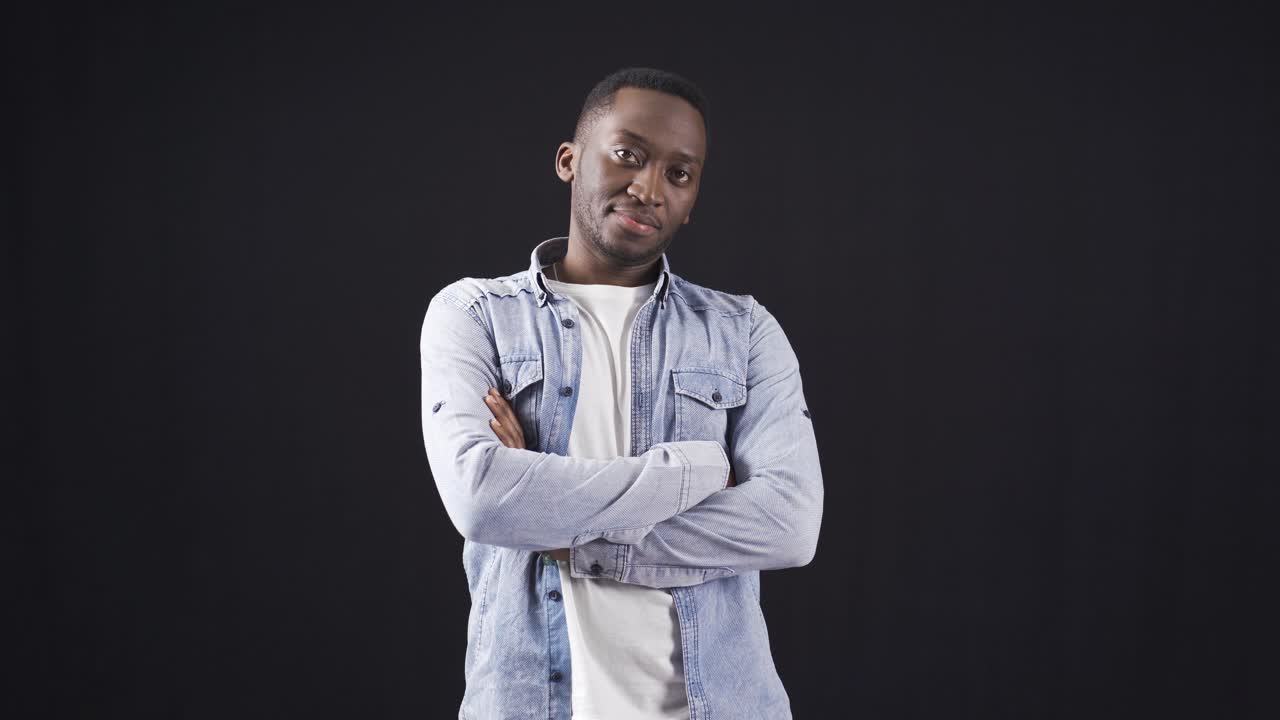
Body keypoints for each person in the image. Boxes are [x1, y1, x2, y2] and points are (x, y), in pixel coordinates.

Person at [419, 67, 824, 720]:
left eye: (679, 174)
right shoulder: (477, 314)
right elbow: (483, 499)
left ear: (692, 202)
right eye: (628, 155)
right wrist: (696, 468)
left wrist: (571, 535)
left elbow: (790, 523)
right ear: (569, 160)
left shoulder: (743, 330)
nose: (648, 188)